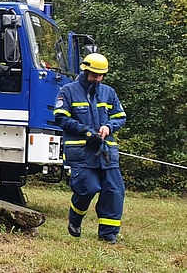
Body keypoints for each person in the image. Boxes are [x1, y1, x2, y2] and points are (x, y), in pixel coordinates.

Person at [53, 53, 127, 244]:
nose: (98, 78)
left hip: (106, 152)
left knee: (114, 190)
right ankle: (75, 219)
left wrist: (108, 126)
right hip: (81, 152)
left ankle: (108, 234)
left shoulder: (108, 92)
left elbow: (120, 116)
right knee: (88, 188)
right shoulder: (67, 91)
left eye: (101, 75)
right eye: (94, 74)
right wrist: (86, 132)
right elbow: (61, 117)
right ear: (85, 71)